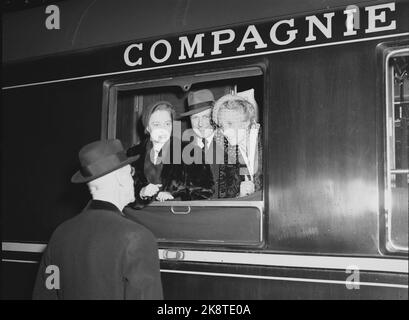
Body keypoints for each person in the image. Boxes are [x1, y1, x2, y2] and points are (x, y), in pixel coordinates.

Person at [32, 139, 163, 299]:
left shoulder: (59, 235)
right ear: (120, 179)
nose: (132, 180)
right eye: (131, 173)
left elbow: (46, 294)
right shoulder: (137, 238)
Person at [127, 100, 213, 208]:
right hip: (141, 218)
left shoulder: (191, 151)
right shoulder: (133, 154)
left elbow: (205, 191)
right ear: (147, 127)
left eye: (167, 124)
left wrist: (174, 195)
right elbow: (121, 192)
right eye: (156, 124)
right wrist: (141, 192)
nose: (162, 129)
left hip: (176, 217)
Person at [212, 93, 263, 199]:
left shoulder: (269, 140)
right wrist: (240, 195)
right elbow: (224, 196)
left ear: (246, 122)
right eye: (222, 126)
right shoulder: (228, 153)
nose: (225, 132)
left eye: (230, 124)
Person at [179, 89, 222, 198]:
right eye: (195, 118)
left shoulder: (228, 143)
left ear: (214, 117)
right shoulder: (182, 148)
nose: (200, 124)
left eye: (205, 117)